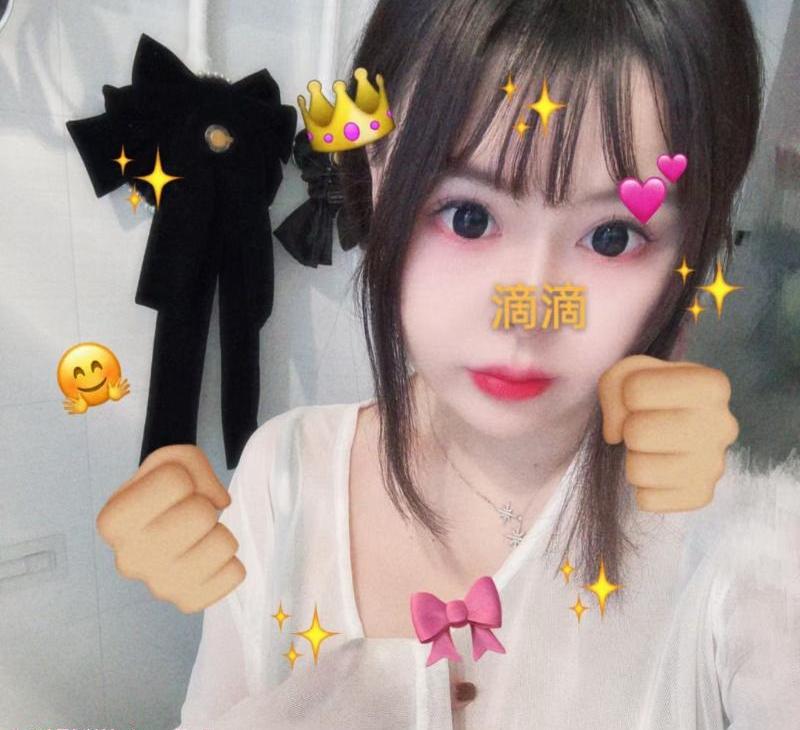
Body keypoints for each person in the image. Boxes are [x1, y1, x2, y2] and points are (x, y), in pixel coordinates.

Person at [96, 0, 800, 727]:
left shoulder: (740, 549)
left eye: (612, 238)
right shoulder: (283, 476)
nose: (527, 315)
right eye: (470, 216)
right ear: (375, 171)